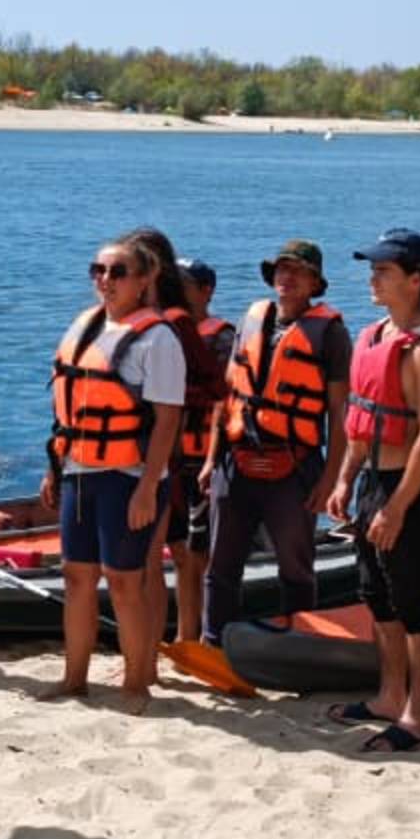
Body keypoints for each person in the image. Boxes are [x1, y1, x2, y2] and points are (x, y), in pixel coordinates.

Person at [324, 229, 420, 753]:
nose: (373, 278)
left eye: (384, 270)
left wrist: (399, 506)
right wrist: (344, 478)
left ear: (416, 278)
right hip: (372, 482)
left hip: (414, 489)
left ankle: (419, 714)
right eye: (373, 268)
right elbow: (361, 419)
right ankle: (389, 695)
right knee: (376, 597)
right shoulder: (374, 335)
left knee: (414, 604)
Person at [40, 235, 186, 713]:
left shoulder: (157, 338)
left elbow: (167, 419)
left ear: (145, 280)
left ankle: (136, 684)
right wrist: (54, 466)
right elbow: (68, 401)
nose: (106, 280)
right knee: (76, 577)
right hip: (78, 471)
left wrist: (148, 487)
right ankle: (74, 679)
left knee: (125, 582)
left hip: (126, 475)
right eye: (98, 270)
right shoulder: (85, 326)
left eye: (118, 271)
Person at [203, 239, 350, 642]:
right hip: (236, 462)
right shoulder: (252, 319)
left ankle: (298, 646)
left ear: (315, 282)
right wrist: (210, 459)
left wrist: (332, 480)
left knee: (296, 568)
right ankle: (214, 646)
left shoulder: (331, 334)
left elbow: (339, 415)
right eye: (282, 270)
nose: (287, 278)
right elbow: (229, 394)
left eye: (298, 272)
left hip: (295, 466)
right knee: (221, 566)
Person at [119, 228, 221, 653]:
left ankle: (180, 640)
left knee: (172, 555)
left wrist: (168, 400)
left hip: (172, 459)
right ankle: (152, 643)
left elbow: (215, 386)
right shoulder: (123, 321)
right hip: (126, 453)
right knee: (148, 558)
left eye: (127, 266)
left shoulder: (176, 323)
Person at [169, 259, 237, 645]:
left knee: (200, 555)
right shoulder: (164, 333)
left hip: (201, 459)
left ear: (206, 290)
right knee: (179, 552)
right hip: (169, 457)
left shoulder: (222, 338)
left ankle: (201, 637)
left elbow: (225, 403)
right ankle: (184, 636)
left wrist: (214, 459)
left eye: (185, 284)